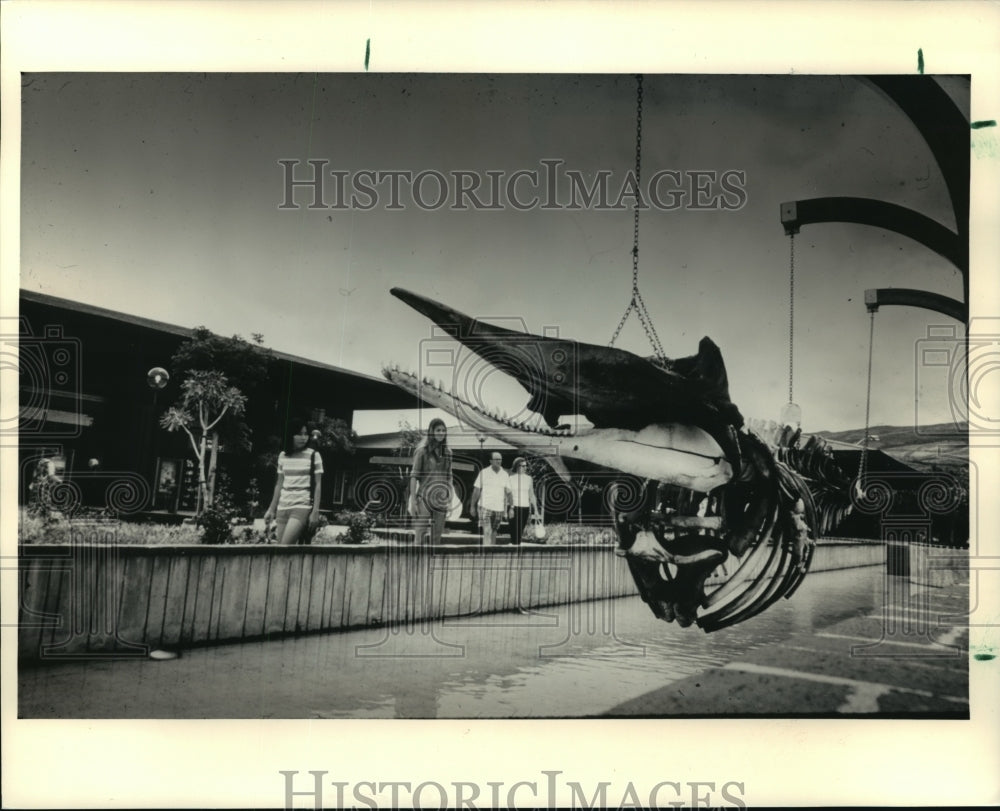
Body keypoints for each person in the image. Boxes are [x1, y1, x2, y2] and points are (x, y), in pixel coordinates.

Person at [264, 420, 323, 545]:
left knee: (285, 547)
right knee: (281, 550)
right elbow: (279, 484)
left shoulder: (314, 455)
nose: (303, 437)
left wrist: (315, 512)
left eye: (306, 434)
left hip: (301, 506)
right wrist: (271, 509)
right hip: (283, 506)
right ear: (290, 435)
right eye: (299, 434)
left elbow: (318, 484)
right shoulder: (283, 456)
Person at [408, 418, 453, 545]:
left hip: (441, 499)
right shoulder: (422, 451)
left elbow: (449, 477)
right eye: (438, 430)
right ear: (431, 431)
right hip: (424, 499)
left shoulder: (448, 453)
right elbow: (414, 476)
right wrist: (413, 502)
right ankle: (417, 564)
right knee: (419, 538)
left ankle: (432, 564)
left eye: (443, 430)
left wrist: (450, 498)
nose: (441, 433)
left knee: (436, 540)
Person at [471, 451, 510, 545]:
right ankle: (486, 553)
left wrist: (508, 509)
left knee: (494, 532)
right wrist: (472, 506)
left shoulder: (505, 474)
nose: (499, 461)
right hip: (485, 506)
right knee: (487, 531)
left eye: (500, 459)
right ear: (491, 461)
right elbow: (476, 490)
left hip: (498, 508)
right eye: (496, 459)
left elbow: (508, 493)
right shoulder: (484, 472)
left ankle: (491, 553)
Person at [507, 457, 539, 545]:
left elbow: (531, 495)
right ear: (517, 466)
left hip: (525, 508)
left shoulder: (529, 479)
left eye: (526, 466)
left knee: (519, 533)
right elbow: (509, 495)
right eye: (523, 466)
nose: (525, 468)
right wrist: (511, 508)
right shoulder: (511, 478)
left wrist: (535, 510)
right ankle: (514, 551)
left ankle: (516, 553)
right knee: (514, 534)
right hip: (514, 508)